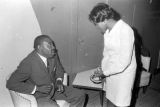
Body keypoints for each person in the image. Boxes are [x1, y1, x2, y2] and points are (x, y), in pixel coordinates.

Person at [6, 35, 86, 107]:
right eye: (49, 45)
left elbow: (59, 69)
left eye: (52, 44)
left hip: (55, 89)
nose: (53, 48)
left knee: (80, 95)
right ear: (39, 48)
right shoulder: (28, 63)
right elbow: (11, 83)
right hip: (39, 96)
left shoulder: (52, 54)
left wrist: (59, 81)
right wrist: (37, 88)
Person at [88, 3, 137, 107]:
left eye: (97, 24)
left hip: (124, 74)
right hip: (111, 71)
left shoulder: (126, 30)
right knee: (110, 98)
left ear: (105, 20)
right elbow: (106, 54)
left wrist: (105, 72)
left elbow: (124, 61)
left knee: (121, 102)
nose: (96, 27)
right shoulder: (107, 32)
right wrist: (103, 69)